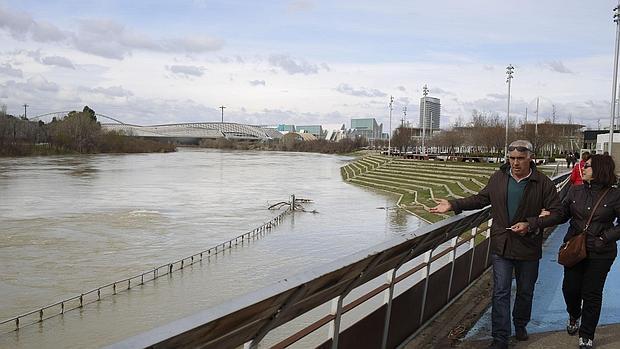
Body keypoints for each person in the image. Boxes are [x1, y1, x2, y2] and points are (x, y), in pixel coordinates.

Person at [430, 140, 562, 349]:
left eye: (520, 158)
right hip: (502, 244)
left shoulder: (543, 183)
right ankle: (500, 338)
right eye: (512, 158)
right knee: (500, 291)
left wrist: (531, 224)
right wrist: (453, 204)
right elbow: (481, 199)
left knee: (525, 290)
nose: (515, 163)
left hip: (528, 246)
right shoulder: (499, 178)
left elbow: (558, 213)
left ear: (530, 158)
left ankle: (520, 324)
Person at [535, 154, 619, 349]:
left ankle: (586, 335)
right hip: (575, 249)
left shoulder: (615, 195)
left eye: (587, 166)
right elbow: (563, 214)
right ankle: (574, 314)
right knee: (570, 289)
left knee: (592, 292)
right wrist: (548, 216)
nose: (583, 168)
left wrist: (605, 238)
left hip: (601, 252)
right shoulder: (575, 190)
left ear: (599, 170)